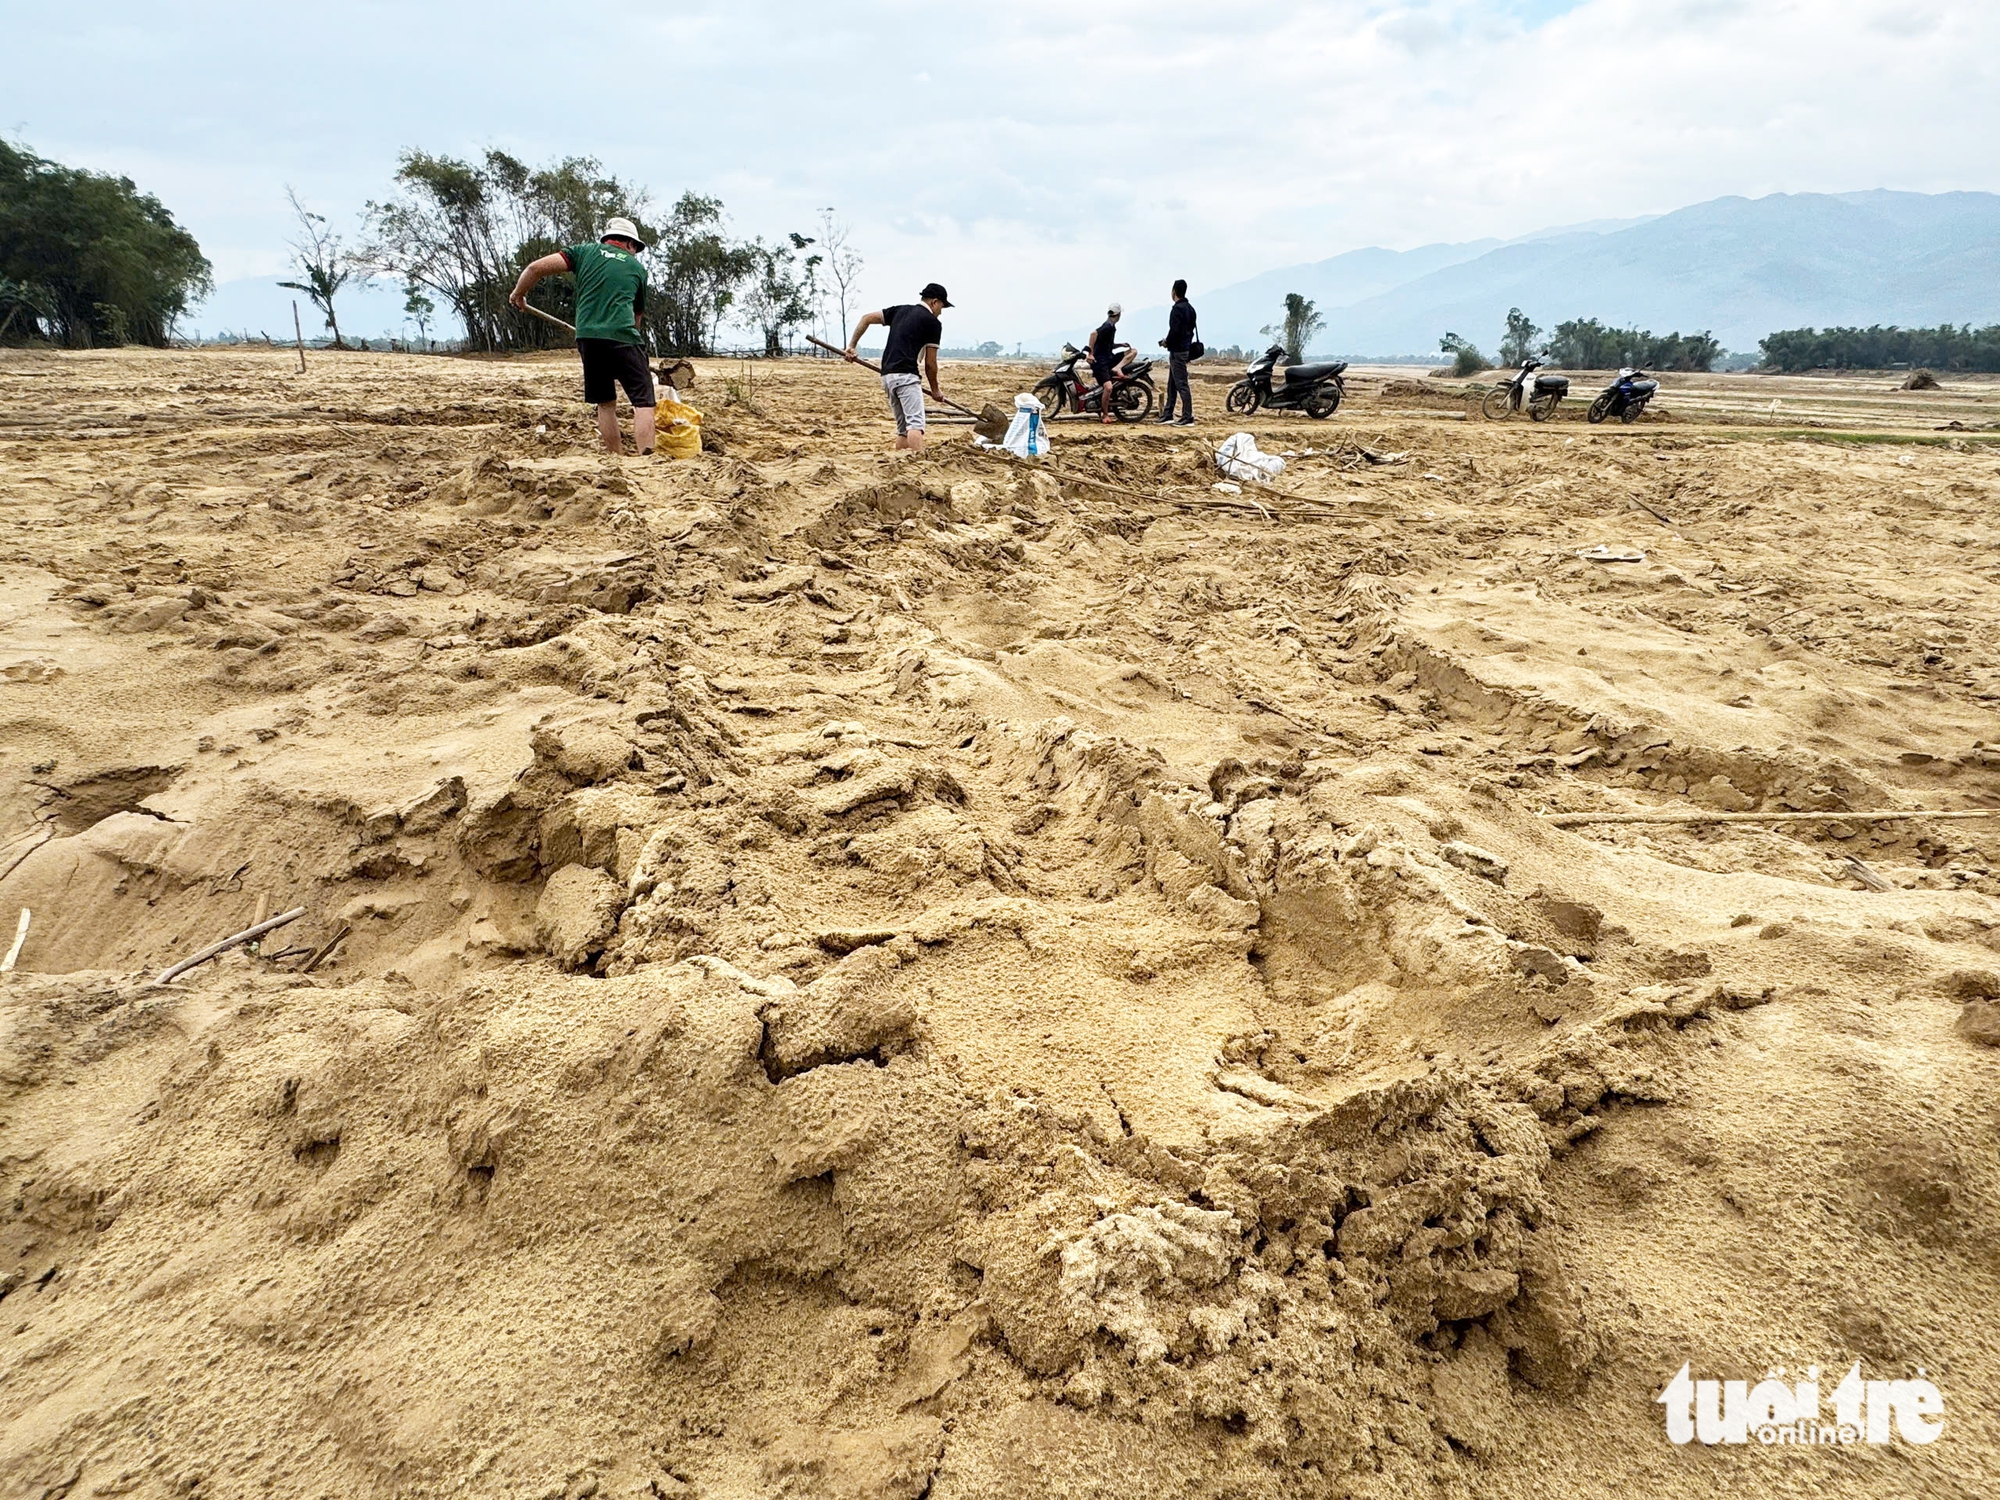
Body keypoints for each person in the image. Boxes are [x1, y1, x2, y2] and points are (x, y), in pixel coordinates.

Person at [510, 217, 656, 455]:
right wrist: (634, 348)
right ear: (630, 244)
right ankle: (646, 458)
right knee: (643, 402)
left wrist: (519, 293)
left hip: (589, 339)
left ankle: (614, 458)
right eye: (635, 249)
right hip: (624, 337)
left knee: (606, 403)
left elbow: (534, 268)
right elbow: (636, 317)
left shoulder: (583, 252)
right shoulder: (637, 269)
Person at [845, 284, 951, 450]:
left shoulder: (900, 311)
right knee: (915, 425)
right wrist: (935, 390)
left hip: (887, 376)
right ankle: (918, 463)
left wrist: (851, 345)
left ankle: (900, 464)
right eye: (942, 307)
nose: (941, 312)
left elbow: (866, 318)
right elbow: (931, 364)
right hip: (907, 376)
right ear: (934, 302)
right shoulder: (933, 323)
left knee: (903, 429)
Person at [1156, 279, 1196, 426]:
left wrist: (1166, 342)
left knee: (1181, 384)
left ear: (1174, 291)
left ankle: (1188, 416)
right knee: (1172, 384)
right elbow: (1188, 331)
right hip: (1184, 349)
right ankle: (1168, 414)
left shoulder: (1177, 309)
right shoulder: (1191, 309)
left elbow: (1174, 331)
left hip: (1177, 351)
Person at [1087, 303, 1130, 424]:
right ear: (1119, 315)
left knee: (1132, 352)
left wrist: (1120, 345)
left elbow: (1108, 345)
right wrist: (1090, 353)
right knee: (1108, 387)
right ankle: (1105, 414)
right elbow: (1093, 334)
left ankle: (1118, 368)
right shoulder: (1107, 326)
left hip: (1108, 359)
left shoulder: (1111, 326)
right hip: (1101, 363)